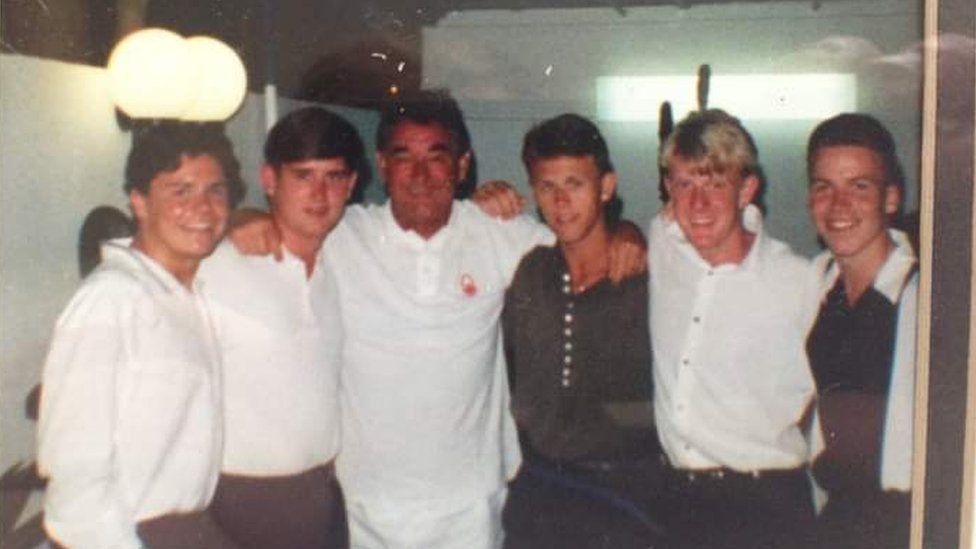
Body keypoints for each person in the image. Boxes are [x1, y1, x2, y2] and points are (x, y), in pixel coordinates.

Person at [228, 89, 645, 548]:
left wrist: (629, 231)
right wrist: (244, 218)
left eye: (437, 156)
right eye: (404, 157)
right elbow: (282, 225)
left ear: (462, 166)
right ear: (382, 164)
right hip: (367, 503)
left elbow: (581, 236)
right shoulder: (344, 235)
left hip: (472, 503)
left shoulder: (499, 234)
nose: (421, 174)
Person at [37, 124, 244, 549]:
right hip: (125, 534)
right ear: (139, 203)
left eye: (215, 190)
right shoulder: (110, 299)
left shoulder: (189, 291)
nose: (203, 207)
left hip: (188, 527)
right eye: (180, 191)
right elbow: (75, 477)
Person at [649, 109, 818, 549]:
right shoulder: (660, 244)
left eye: (716, 184)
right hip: (678, 501)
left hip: (765, 508)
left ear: (747, 189)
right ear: (669, 189)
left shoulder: (799, 281)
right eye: (686, 184)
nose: (698, 204)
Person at [199, 107, 363, 548]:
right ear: (270, 180)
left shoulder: (341, 263)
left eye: (333, 177)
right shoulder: (217, 266)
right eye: (303, 176)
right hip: (237, 499)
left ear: (350, 186)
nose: (319, 193)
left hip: (323, 495)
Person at [501, 113, 661, 548]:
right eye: (547, 188)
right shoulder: (530, 273)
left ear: (606, 187)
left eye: (575, 184)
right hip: (541, 496)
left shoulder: (647, 280)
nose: (561, 202)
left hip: (625, 501)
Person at [805, 113, 917, 549]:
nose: (838, 206)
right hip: (835, 519)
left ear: (891, 198)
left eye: (859, 186)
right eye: (823, 187)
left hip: (903, 523)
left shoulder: (927, 299)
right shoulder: (815, 286)